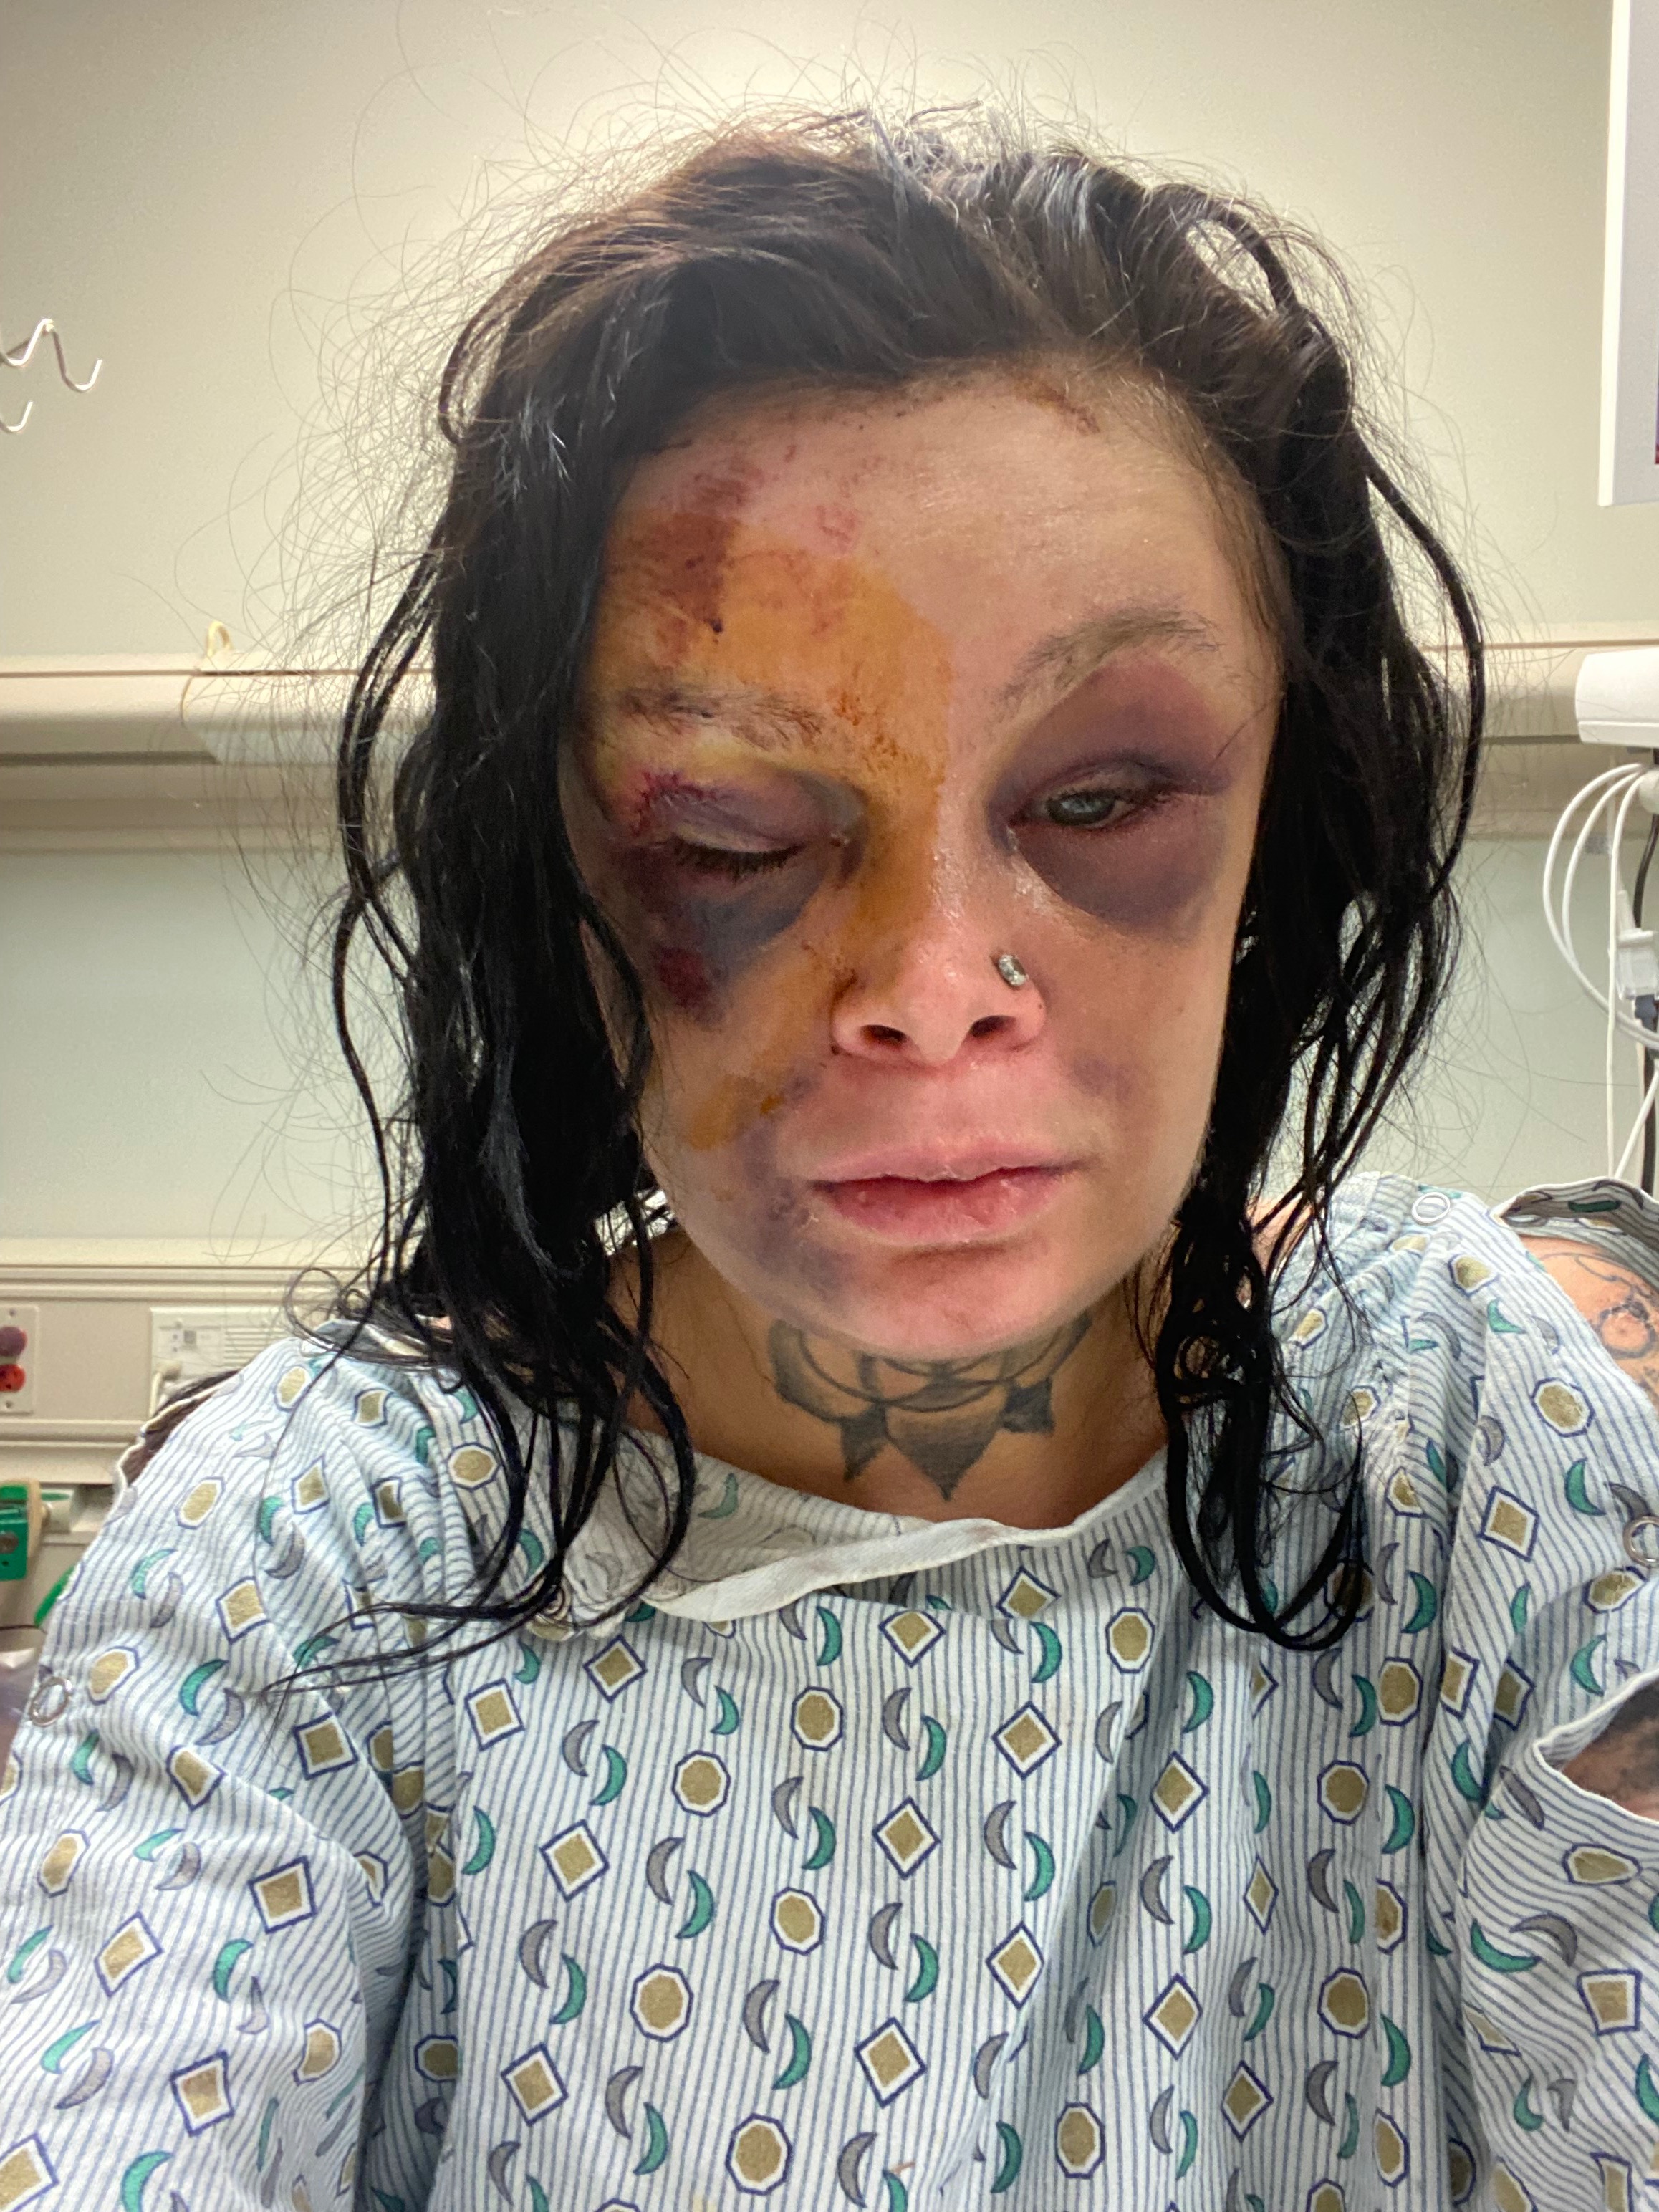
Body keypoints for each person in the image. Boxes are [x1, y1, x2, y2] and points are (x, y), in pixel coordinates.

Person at [2, 111, 1658, 2212]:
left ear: (1277, 830)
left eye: (1099, 801)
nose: (934, 991)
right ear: (557, 875)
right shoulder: (316, 1549)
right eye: (735, 838)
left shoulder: (1463, 1436)